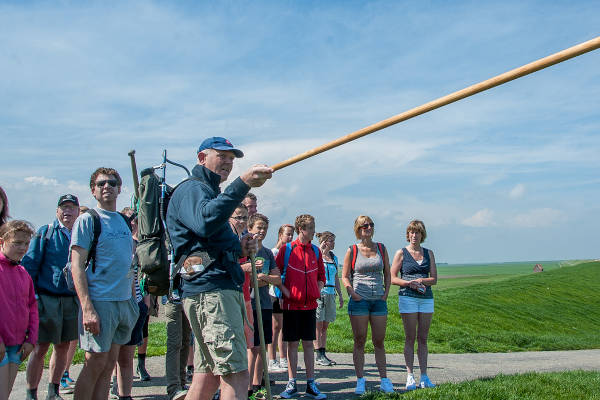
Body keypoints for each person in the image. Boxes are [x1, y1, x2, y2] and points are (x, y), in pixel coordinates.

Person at [166, 136, 272, 400]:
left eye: (231, 158)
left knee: (208, 377)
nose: (228, 162)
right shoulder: (192, 189)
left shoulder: (210, 192)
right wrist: (242, 184)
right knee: (236, 373)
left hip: (215, 291)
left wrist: (240, 245)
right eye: (221, 155)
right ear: (202, 158)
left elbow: (212, 239)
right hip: (211, 294)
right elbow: (204, 221)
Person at [70, 167, 139, 400]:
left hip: (123, 303)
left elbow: (128, 262)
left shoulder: (122, 220)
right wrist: (87, 308)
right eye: (101, 184)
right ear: (93, 191)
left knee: (110, 364)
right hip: (100, 302)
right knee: (95, 362)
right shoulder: (88, 220)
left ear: (119, 189)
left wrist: (132, 300)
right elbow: (76, 266)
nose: (106, 187)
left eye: (111, 183)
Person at [23, 194, 81, 400]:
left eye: (72, 207)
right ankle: (31, 393)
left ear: (77, 211)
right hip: (47, 299)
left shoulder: (81, 233)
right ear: (57, 211)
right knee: (40, 348)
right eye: (63, 207)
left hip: (71, 299)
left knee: (63, 347)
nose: (67, 211)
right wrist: (33, 298)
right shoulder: (46, 233)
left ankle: (53, 390)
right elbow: (30, 266)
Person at [341, 215, 393, 394]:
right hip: (359, 301)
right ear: (358, 229)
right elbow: (345, 275)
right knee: (360, 341)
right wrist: (352, 293)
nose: (368, 228)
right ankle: (360, 380)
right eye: (364, 226)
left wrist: (385, 294)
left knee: (379, 341)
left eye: (371, 225)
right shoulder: (352, 250)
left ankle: (384, 380)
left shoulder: (381, 248)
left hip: (378, 301)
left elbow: (387, 272)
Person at [277, 214, 326, 400]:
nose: (314, 231)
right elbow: (275, 271)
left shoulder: (315, 251)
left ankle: (311, 383)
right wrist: (283, 290)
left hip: (310, 305)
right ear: (301, 230)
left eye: (313, 227)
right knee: (292, 344)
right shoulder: (287, 250)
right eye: (311, 228)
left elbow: (321, 275)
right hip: (291, 306)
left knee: (308, 344)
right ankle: (291, 383)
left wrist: (317, 289)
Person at [390, 220, 438, 390]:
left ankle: (424, 376)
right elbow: (392, 277)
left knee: (423, 339)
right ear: (408, 234)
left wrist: (422, 280)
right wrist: (409, 283)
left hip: (425, 299)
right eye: (411, 232)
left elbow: (434, 279)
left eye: (417, 232)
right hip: (407, 297)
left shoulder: (429, 253)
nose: (414, 235)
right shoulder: (401, 253)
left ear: (422, 235)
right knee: (410, 337)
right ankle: (410, 375)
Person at [110, 209, 150, 400]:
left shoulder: (136, 247)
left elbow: (139, 276)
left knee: (126, 355)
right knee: (111, 355)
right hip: (114, 304)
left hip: (134, 303)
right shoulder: (110, 248)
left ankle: (125, 394)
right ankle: (113, 386)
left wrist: (140, 302)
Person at [0, 220, 38, 400]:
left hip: (16, 346)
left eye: (26, 243)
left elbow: (32, 308)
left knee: (5, 394)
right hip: (1, 343)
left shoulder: (23, 273)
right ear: (2, 242)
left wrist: (31, 339)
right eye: (16, 243)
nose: (22, 248)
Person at [246, 213, 281, 397]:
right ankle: (247, 386)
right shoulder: (245, 250)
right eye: (259, 227)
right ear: (250, 228)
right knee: (251, 347)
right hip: (250, 303)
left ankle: (257, 382)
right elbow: (248, 281)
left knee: (262, 346)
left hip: (265, 303)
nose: (262, 231)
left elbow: (277, 278)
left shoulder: (267, 253)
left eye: (265, 228)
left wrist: (263, 277)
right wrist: (257, 279)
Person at [314, 231, 343, 367]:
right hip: (320, 293)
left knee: (325, 325)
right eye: (331, 241)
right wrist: (320, 249)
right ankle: (318, 354)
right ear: (325, 242)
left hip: (331, 292)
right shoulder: (317, 255)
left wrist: (341, 295)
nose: (334, 243)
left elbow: (336, 277)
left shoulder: (334, 258)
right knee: (318, 325)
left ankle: (323, 352)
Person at [267, 224, 294, 374]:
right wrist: (279, 292)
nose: (290, 237)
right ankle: (272, 359)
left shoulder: (289, 251)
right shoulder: (274, 252)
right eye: (287, 234)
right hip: (275, 293)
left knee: (284, 327)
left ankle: (283, 357)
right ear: (280, 235)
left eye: (291, 235)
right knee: (275, 327)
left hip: (285, 293)